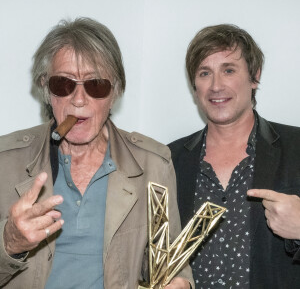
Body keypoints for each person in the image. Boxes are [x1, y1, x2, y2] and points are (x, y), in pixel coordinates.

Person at [0, 17, 194, 289]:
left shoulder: (153, 164)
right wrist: (9, 243)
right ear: (46, 88)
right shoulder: (5, 161)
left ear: (115, 91)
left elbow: (170, 262)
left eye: (96, 85)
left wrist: (179, 282)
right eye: (63, 84)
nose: (79, 99)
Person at [168, 24, 300, 289]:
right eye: (205, 73)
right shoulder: (168, 159)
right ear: (195, 86)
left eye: (228, 70)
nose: (216, 85)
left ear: (254, 76)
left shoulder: (296, 147)